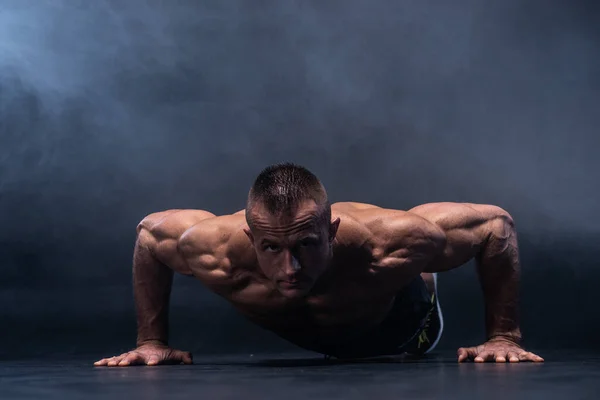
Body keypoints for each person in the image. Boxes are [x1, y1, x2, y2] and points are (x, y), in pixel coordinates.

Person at [94, 163, 544, 367]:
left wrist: (502, 337)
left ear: (331, 232)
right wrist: (151, 341)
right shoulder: (211, 247)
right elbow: (150, 234)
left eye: (307, 245)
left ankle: (418, 279)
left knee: (411, 246)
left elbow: (495, 226)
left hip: (402, 329)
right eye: (270, 248)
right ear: (251, 238)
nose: (290, 267)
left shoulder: (389, 242)